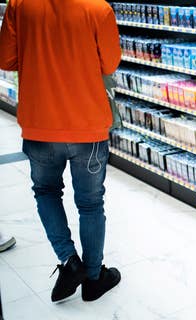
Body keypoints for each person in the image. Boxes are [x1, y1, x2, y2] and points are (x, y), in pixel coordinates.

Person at [0, 0, 122, 302]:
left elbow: (5, 59)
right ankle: (94, 279)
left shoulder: (19, 5)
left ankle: (70, 262)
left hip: (40, 124)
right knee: (91, 204)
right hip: (88, 125)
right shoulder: (98, 9)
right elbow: (110, 64)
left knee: (46, 192)